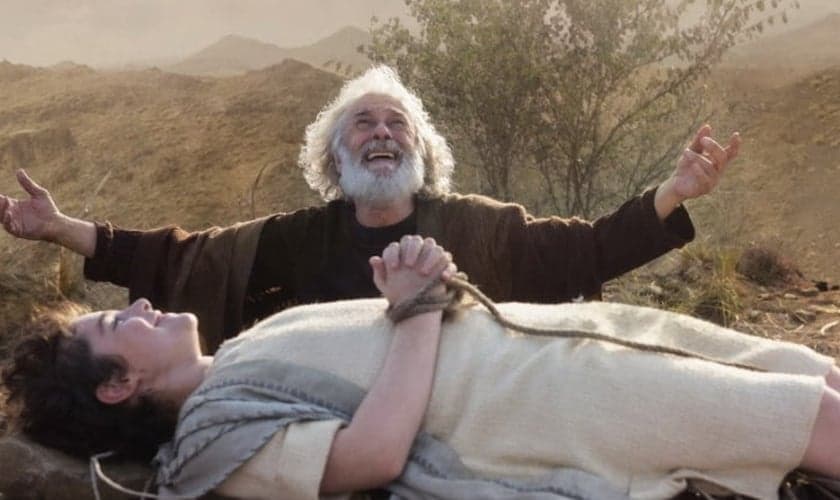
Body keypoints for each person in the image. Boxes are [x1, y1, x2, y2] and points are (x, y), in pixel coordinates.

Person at [4, 236, 840, 500]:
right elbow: (371, 455)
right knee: (810, 424)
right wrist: (412, 308)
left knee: (811, 377)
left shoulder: (243, 354)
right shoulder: (213, 443)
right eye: (123, 322)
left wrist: (411, 283)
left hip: (569, 339)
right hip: (558, 404)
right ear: (119, 384)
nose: (142, 307)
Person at [0, 66, 741, 351]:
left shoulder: (477, 226)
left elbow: (586, 249)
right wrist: (63, 229)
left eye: (397, 124)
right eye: (364, 123)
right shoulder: (289, 240)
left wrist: (673, 193)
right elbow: (181, 258)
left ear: (421, 152)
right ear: (334, 158)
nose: (381, 132)